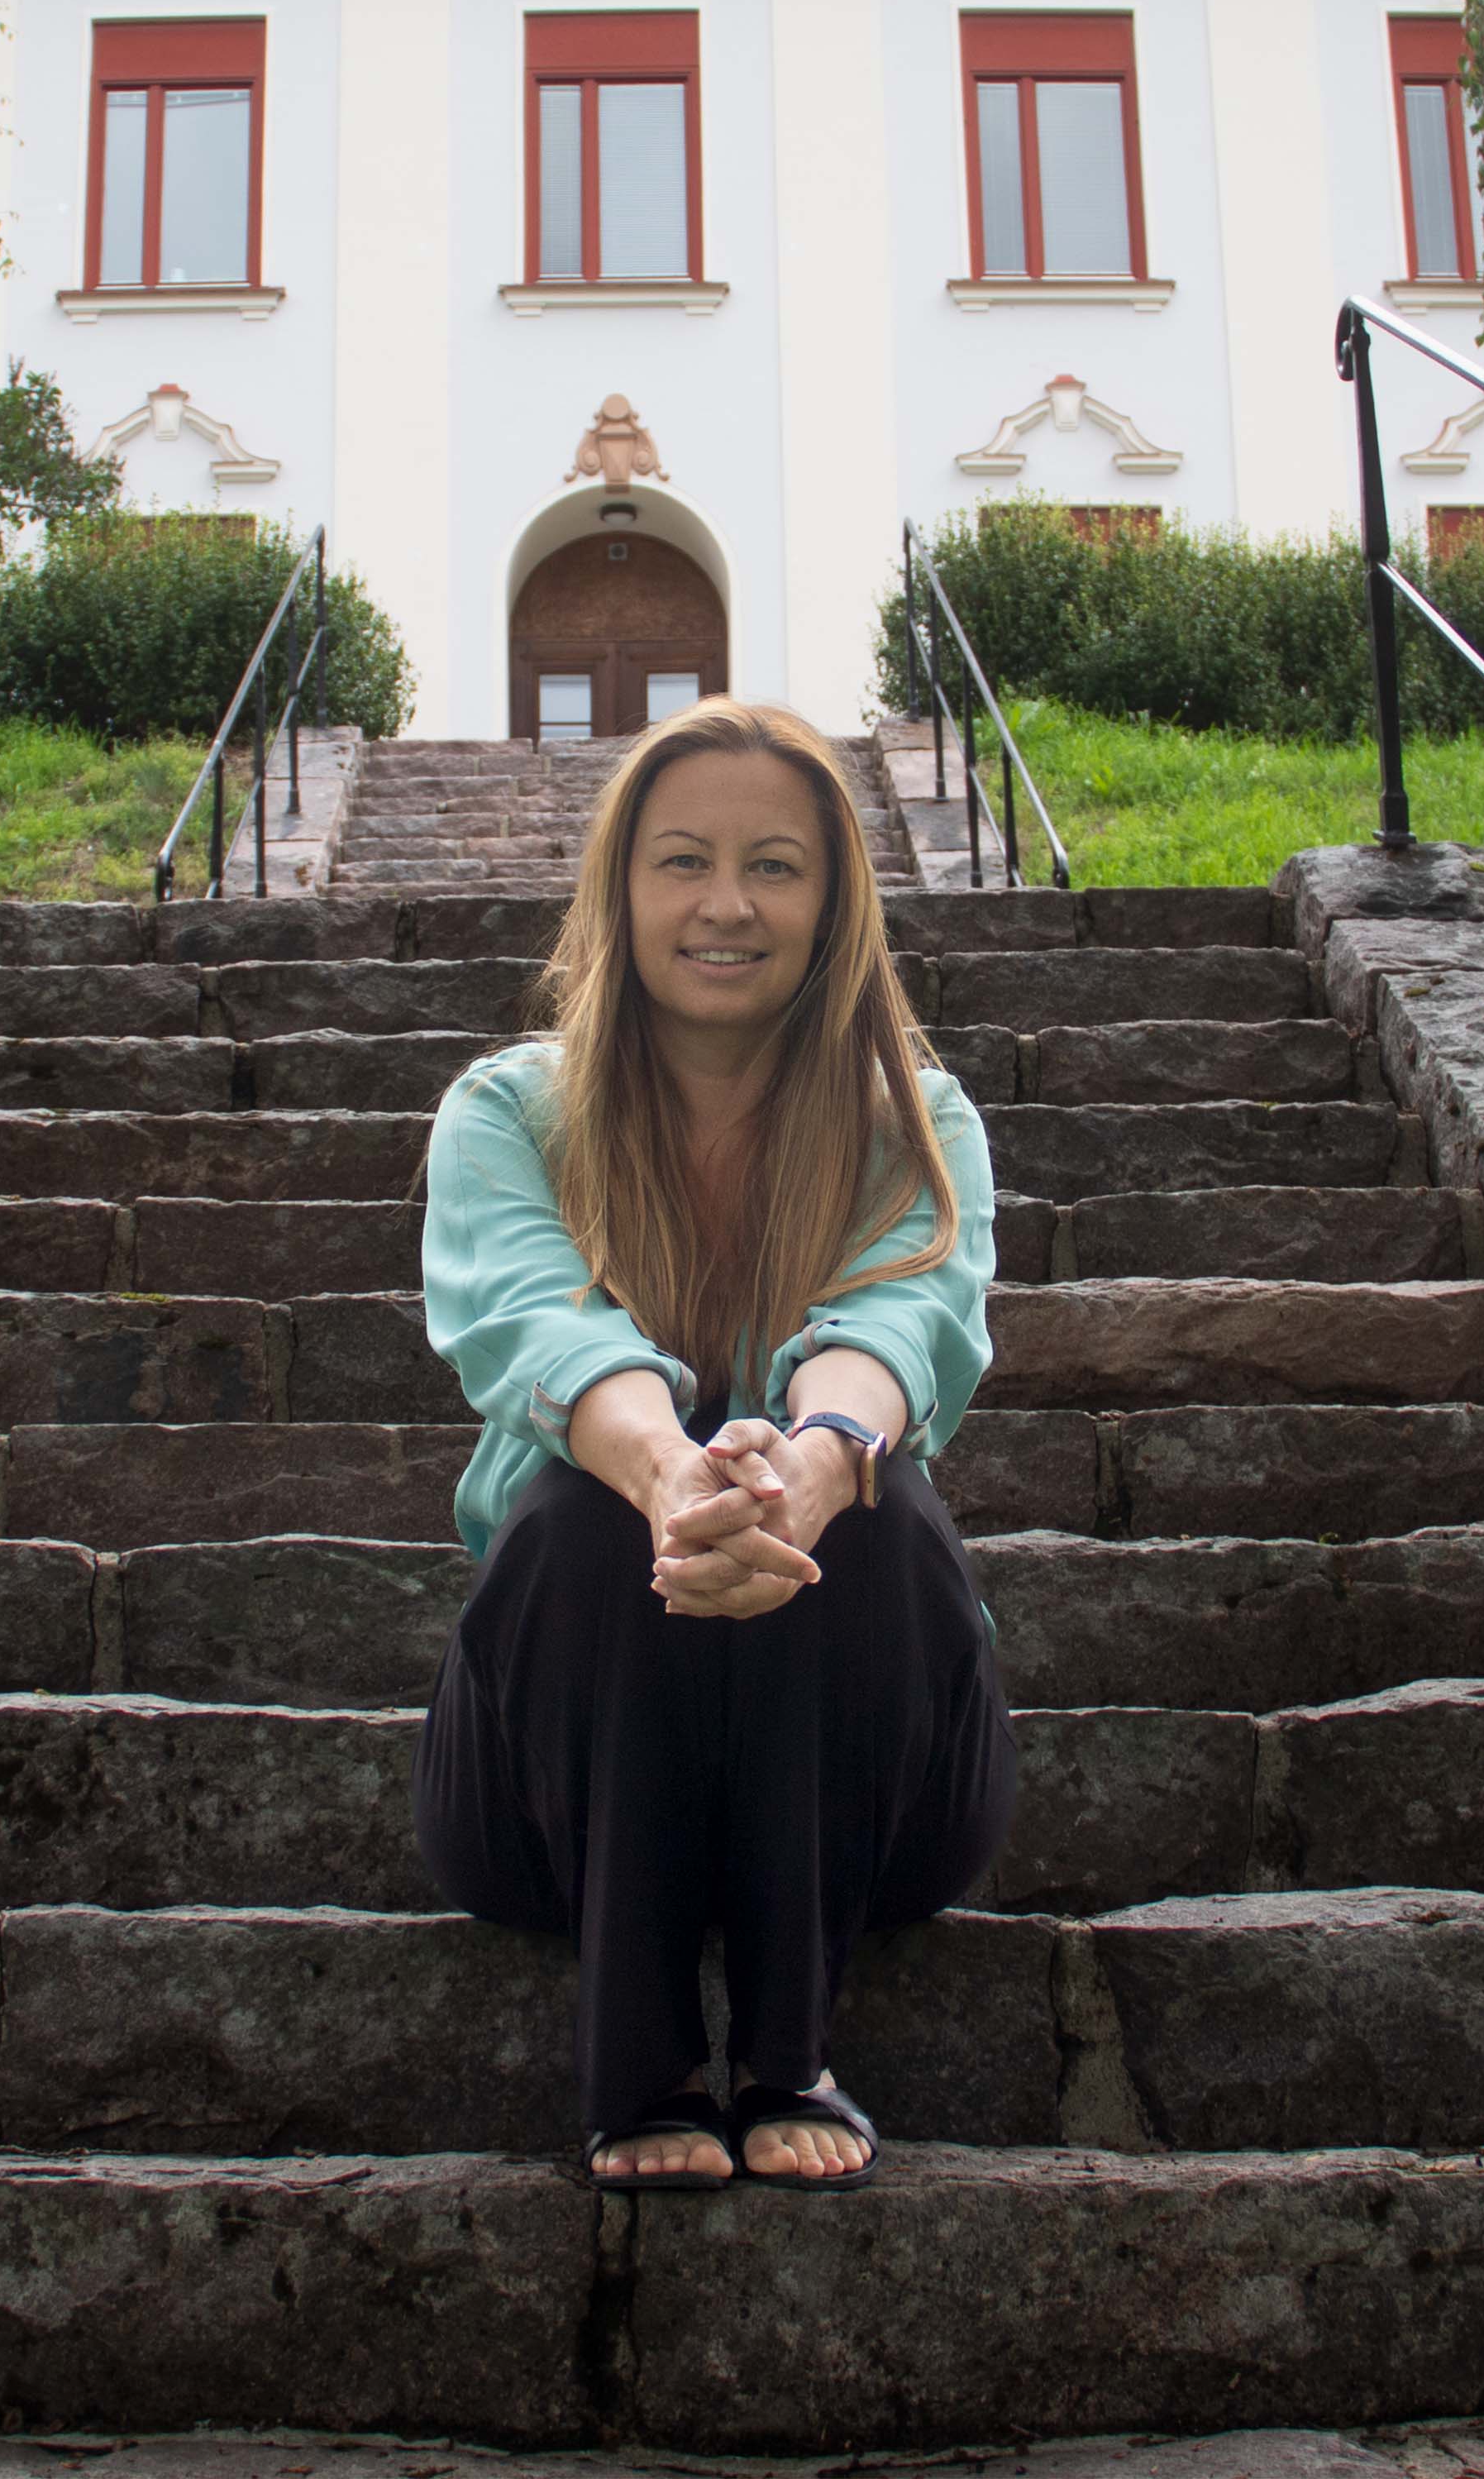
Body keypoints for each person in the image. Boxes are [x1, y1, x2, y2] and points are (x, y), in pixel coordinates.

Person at [412, 696, 1013, 2192]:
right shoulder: (507, 1112)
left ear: (836, 902)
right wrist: (676, 1479)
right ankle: (645, 2061)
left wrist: (809, 1472)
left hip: (883, 1785)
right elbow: (534, 1329)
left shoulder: (914, 1120)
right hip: (550, 1779)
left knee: (878, 1504)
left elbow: (908, 1324)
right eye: (682, 861)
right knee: (574, 1510)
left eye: (776, 867)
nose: (727, 905)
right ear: (622, 889)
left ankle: (790, 2048)